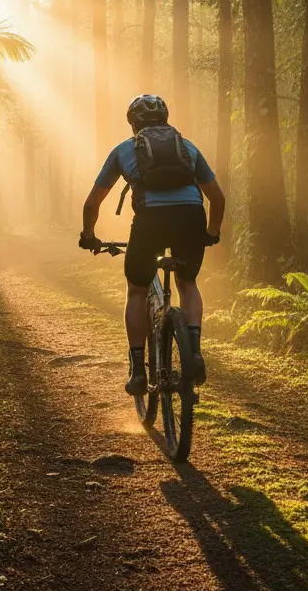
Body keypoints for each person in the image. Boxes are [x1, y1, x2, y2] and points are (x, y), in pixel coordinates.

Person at [79, 94, 225, 396]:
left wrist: (88, 235)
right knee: (187, 283)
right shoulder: (188, 147)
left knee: (137, 289)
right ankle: (194, 352)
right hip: (190, 217)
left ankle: (137, 372)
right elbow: (218, 198)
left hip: (150, 222)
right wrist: (212, 231)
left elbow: (92, 203)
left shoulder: (123, 150)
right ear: (166, 119)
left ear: (133, 123)